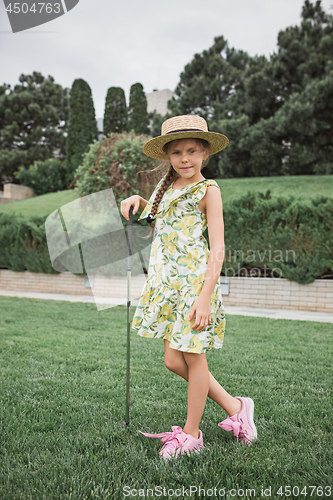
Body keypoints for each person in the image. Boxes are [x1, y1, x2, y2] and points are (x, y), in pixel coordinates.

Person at [120, 115, 257, 459]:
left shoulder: (208, 190)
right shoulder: (165, 187)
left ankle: (192, 435)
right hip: (167, 285)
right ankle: (236, 406)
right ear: (168, 156)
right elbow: (150, 219)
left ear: (205, 152)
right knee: (172, 360)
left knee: (195, 359)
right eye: (177, 152)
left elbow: (219, 247)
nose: (184, 158)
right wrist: (135, 200)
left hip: (195, 284)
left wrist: (206, 296)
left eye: (191, 151)